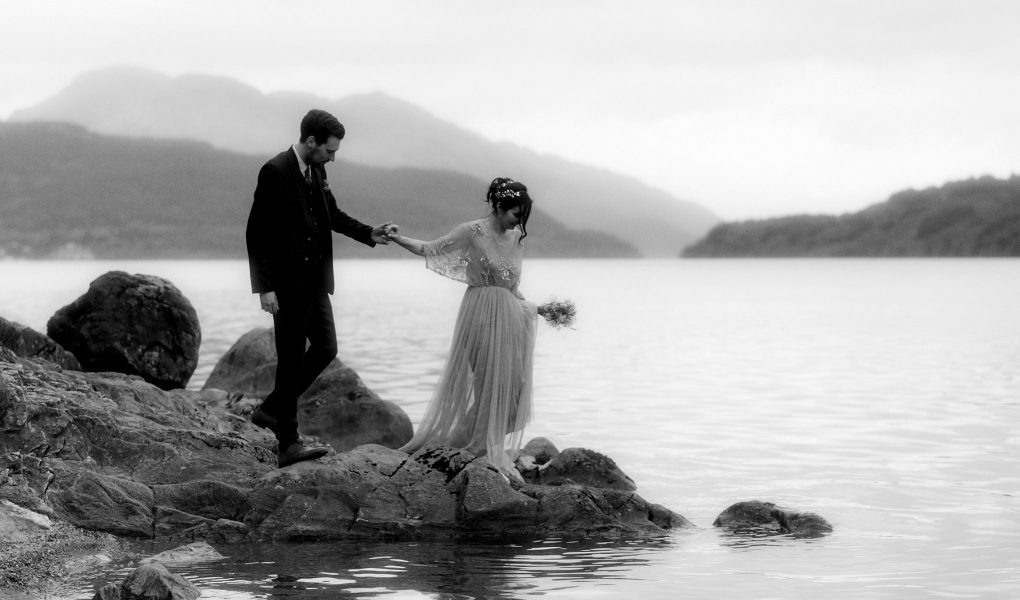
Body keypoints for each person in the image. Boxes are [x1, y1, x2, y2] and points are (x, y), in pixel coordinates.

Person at [246, 108, 394, 468]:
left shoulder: (317, 170)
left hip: (316, 284)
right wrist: (265, 288)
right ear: (310, 141)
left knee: (326, 347)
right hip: (286, 284)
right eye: (329, 150)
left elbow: (332, 215)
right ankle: (287, 443)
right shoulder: (276, 171)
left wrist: (368, 233)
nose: (333, 157)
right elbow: (257, 232)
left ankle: (270, 410)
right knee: (291, 357)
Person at [386, 177, 538, 474]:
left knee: (513, 388)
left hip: (510, 317)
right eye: (515, 214)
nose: (518, 222)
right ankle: (480, 453)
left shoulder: (516, 236)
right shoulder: (472, 231)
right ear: (498, 206)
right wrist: (396, 238)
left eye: (522, 217)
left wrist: (536, 309)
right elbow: (430, 248)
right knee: (488, 384)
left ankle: (484, 446)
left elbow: (512, 285)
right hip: (480, 314)